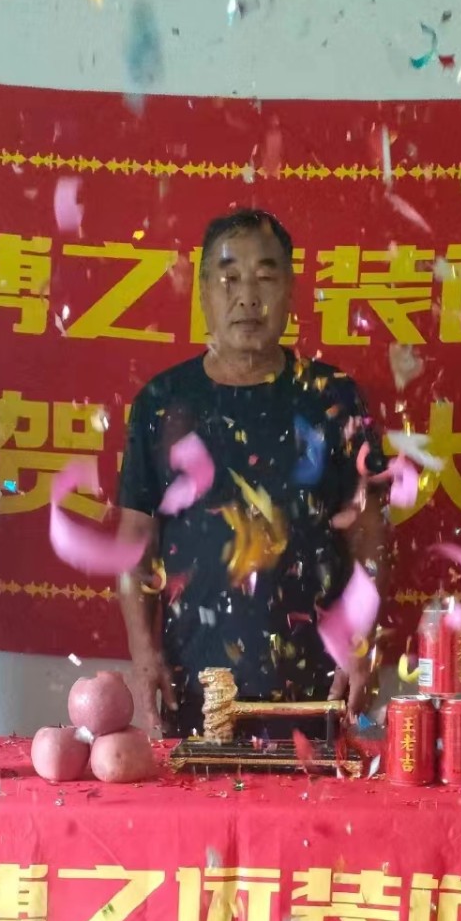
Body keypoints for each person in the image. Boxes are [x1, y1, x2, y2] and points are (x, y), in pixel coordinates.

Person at [115, 208, 386, 739]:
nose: (247, 297)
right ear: (203, 293)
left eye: (265, 277)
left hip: (316, 686)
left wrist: (360, 639)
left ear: (290, 291)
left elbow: (369, 535)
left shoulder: (333, 397)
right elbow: (134, 543)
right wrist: (144, 655)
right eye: (229, 278)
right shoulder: (162, 402)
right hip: (195, 685)